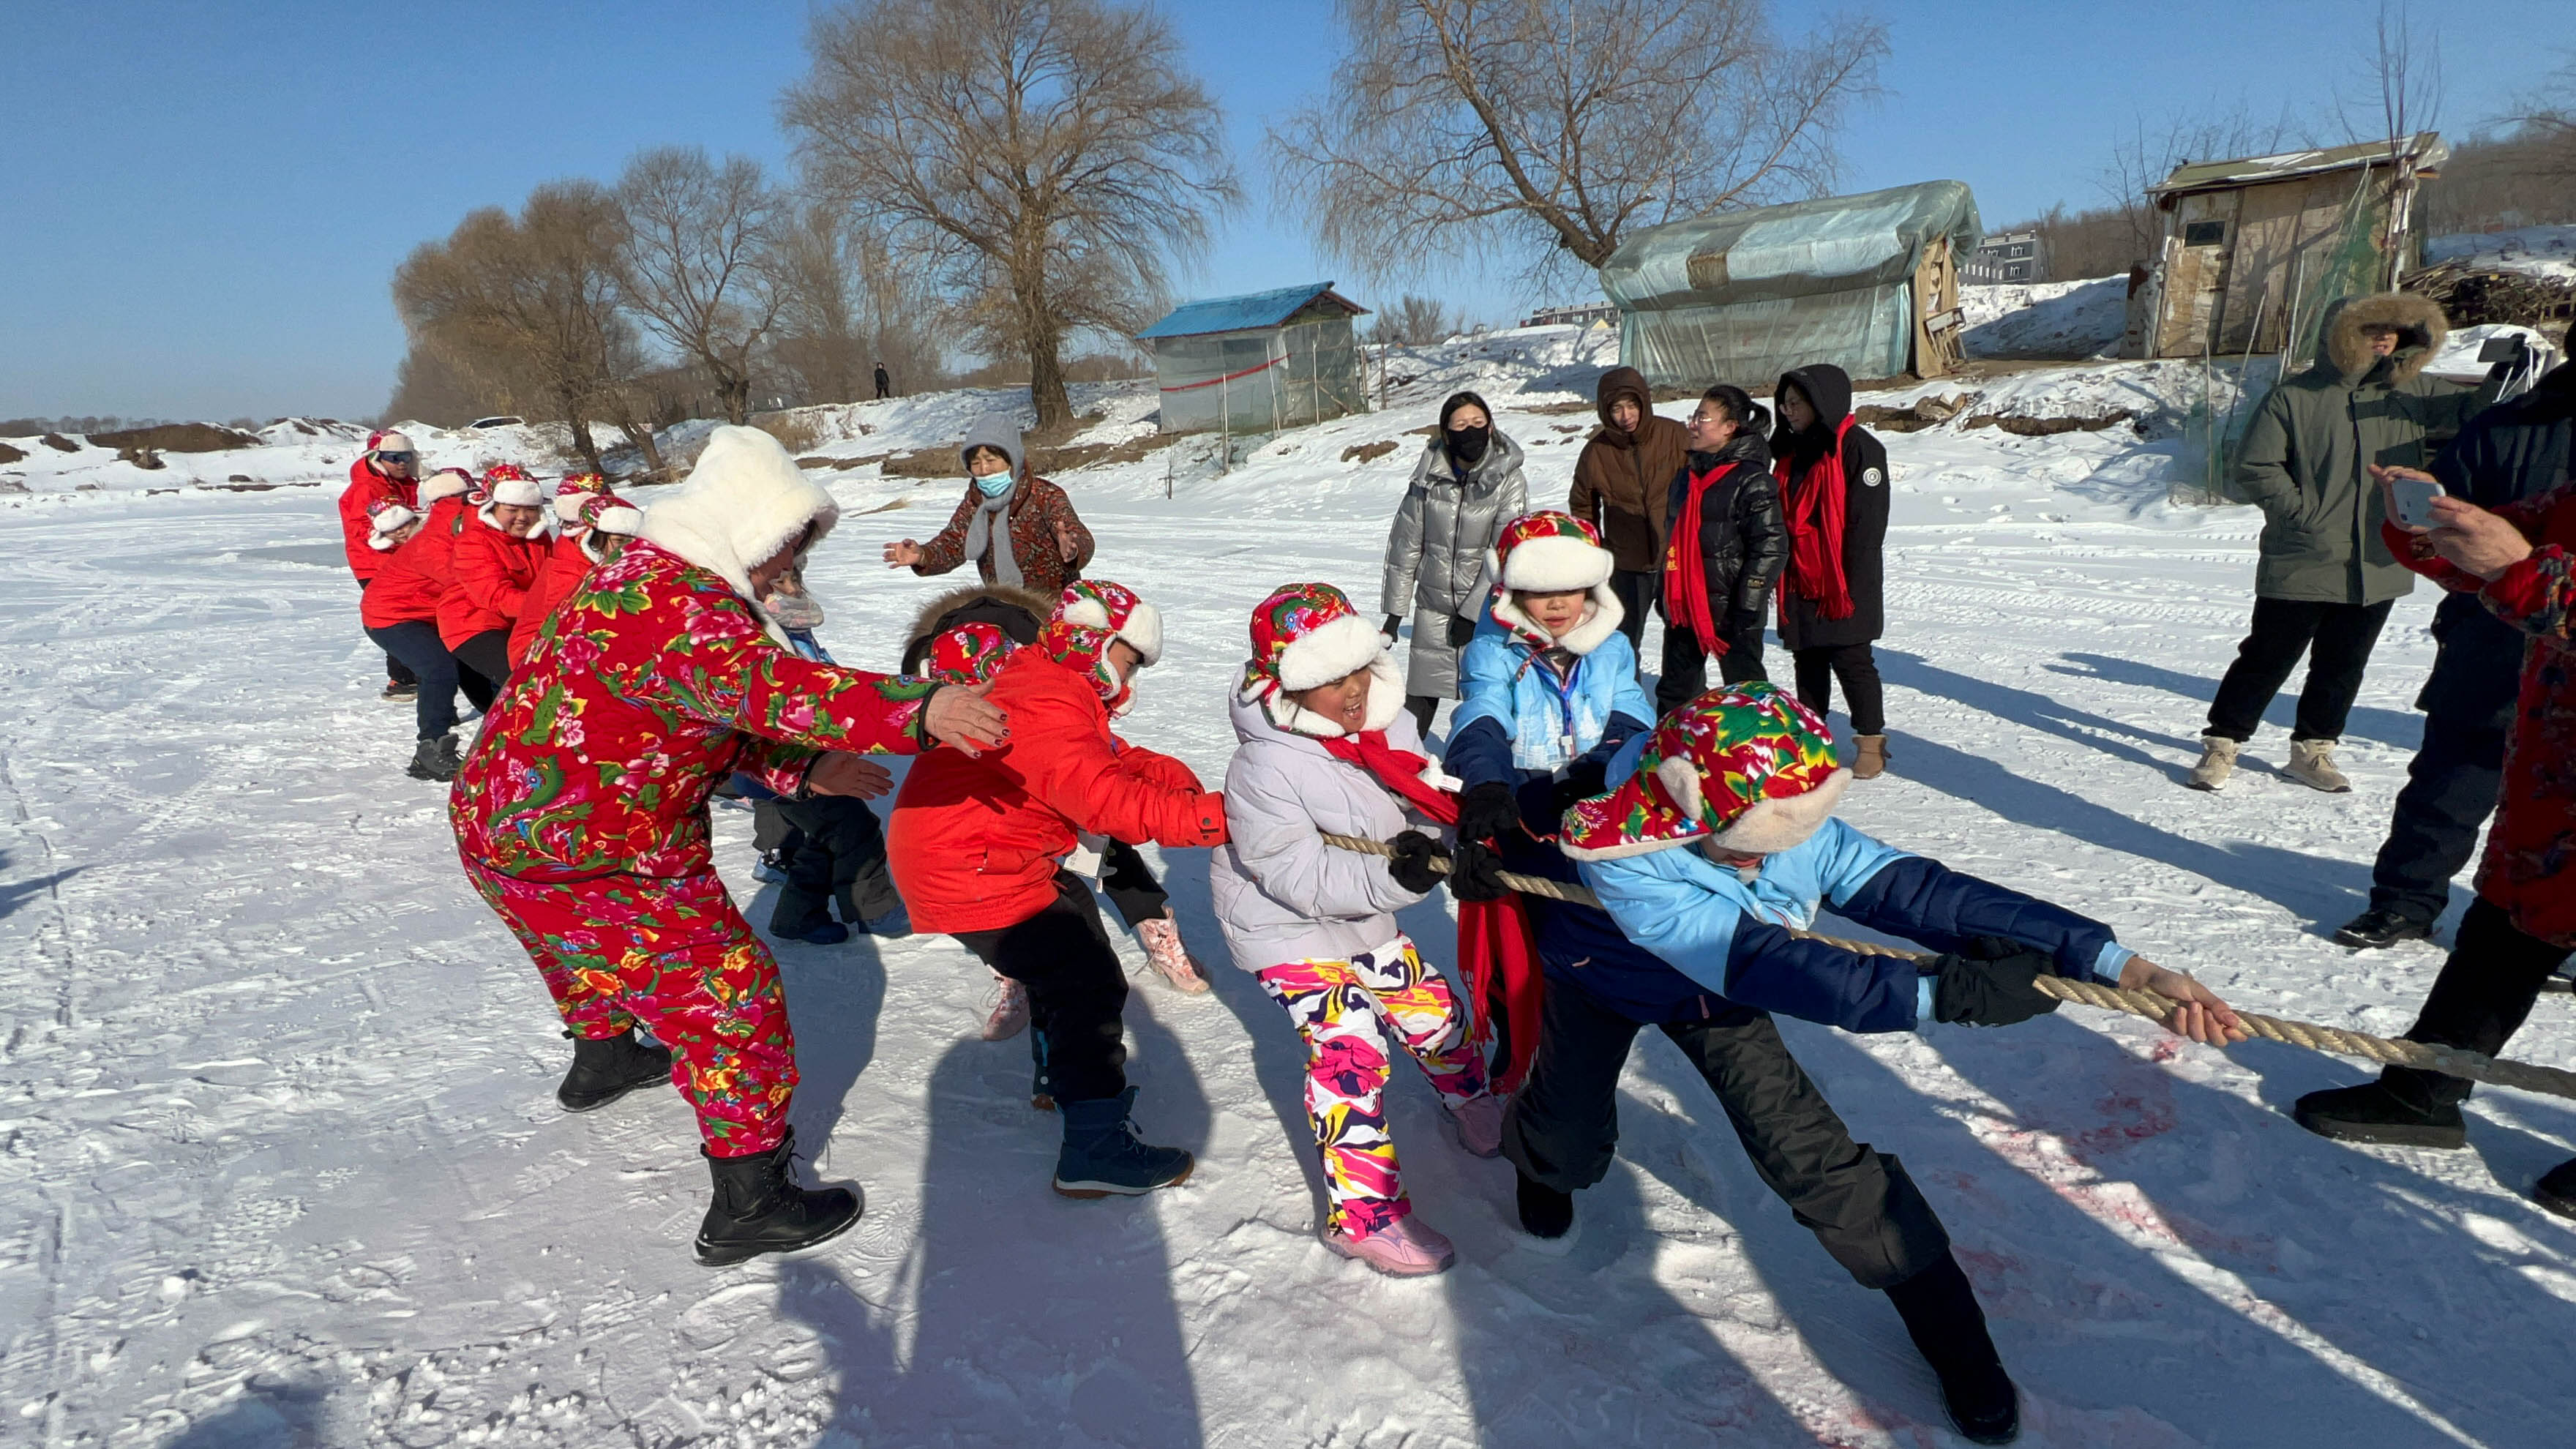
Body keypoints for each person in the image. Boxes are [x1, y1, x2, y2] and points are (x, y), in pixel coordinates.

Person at [1489, 684, 2244, 1444]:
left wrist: (2117, 964)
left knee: (1812, 1159)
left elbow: (1912, 891)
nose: (1771, 857)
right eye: (1752, 844)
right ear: (1686, 807)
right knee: (1569, 1113)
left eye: (1785, 839)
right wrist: (1940, 998)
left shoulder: (1771, 798)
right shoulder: (1617, 846)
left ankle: (1956, 1341)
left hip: (1714, 1001)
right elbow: (1767, 962)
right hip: (1603, 976)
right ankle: (1544, 1167)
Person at [448, 424, 1009, 1266]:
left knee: (571, 945)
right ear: (743, 530)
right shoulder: (686, 610)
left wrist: (802, 767)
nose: (791, 567)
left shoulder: (634, 579)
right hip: (599, 848)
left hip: (501, 826)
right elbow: (768, 686)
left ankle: (601, 1058)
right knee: (731, 998)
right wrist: (918, 708)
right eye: (784, 546)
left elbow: (679, 712)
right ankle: (752, 1199)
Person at [2293, 471, 2576, 1221]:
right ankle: (2423, 1090)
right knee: (2502, 934)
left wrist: (2531, 574)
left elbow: (2529, 569)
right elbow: (2499, 544)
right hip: (2553, 784)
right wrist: (2433, 526)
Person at [886, 587, 1227, 1198]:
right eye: (1131, 662)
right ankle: (1094, 1146)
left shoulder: (1041, 680)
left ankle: (1056, 1072)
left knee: (1071, 921)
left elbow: (1100, 759)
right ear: (1098, 643)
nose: (1130, 682)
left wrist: (1169, 775)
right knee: (1088, 981)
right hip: (974, 870)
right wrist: (1220, 818)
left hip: (986, 859)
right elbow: (1108, 803)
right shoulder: (1045, 694)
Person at [1208, 581, 1506, 1276]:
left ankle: (1471, 1100)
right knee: (1352, 1049)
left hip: (1362, 913)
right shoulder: (1265, 764)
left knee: (1430, 1010)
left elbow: (1421, 802)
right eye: (1328, 679)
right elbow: (1295, 872)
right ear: (1286, 685)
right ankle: (1363, 1216)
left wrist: (1450, 847)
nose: (1351, 690)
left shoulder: (1389, 727)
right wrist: (1399, 879)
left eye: (1358, 670)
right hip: (1282, 927)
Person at [2190, 294, 2504, 793]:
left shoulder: (2415, 391)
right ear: (2340, 333)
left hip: (2380, 557)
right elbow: (2256, 465)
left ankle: (2313, 751)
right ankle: (2223, 742)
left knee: (2343, 665)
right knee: (2268, 657)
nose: (2383, 337)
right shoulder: (2295, 396)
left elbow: (2477, 414)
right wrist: (2302, 515)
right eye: (2368, 328)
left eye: (2393, 329)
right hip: (2305, 551)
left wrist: (2504, 376)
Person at [2336, 358, 2572, 947]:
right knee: (2450, 778)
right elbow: (2442, 528)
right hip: (2491, 635)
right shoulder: (2507, 424)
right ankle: (2403, 902)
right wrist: (2417, 522)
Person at [895, 580, 1217, 1012]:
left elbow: (1093, 756)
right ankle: (1017, 973)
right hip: (999, 841)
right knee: (1049, 936)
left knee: (1108, 855)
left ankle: (1155, 930)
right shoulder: (962, 699)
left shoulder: (1033, 685)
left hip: (1049, 811)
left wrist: (1168, 781)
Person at [1444, 510, 1655, 1085]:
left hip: (1591, 800)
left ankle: (1569, 1047)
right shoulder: (1496, 650)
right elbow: (1482, 710)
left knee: (1584, 932)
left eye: (1570, 588)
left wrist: (1608, 758)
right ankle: (1513, 1044)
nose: (1558, 604)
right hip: (1524, 799)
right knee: (1518, 931)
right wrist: (1486, 776)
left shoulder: (1610, 646)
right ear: (1514, 590)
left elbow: (1631, 710)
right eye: (1540, 592)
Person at [744, 563, 912, 947]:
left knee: (824, 833)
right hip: (782, 761)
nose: (792, 592)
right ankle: (877, 912)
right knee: (853, 827)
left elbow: (827, 683)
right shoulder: (759, 638)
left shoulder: (794, 633)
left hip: (810, 756)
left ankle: (797, 917)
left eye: (794, 581)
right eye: (780, 584)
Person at [1382, 391, 1527, 736]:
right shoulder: (1428, 478)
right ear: (1447, 433)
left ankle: (1488, 775)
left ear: (1490, 428)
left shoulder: (1508, 479)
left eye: (1478, 424)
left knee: (1487, 698)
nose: (1470, 432)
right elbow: (1407, 545)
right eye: (1461, 425)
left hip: (1485, 615)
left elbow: (1504, 550)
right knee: (1419, 700)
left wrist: (1471, 613)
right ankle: (1403, 772)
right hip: (1432, 609)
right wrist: (1394, 613)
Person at [1772, 364, 1892, 779]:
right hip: (1800, 574)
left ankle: (1871, 741)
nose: (1788, 412)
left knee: (1853, 659)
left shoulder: (1860, 448)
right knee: (1808, 662)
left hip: (1844, 579)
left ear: (1822, 402)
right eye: (1784, 404)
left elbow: (1867, 524)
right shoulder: (1789, 453)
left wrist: (1848, 582)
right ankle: (1812, 740)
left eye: (1797, 403)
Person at [1658, 384, 1788, 716]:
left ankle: (1757, 757)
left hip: (1734, 609)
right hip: (1686, 604)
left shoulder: (1752, 479)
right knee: (1675, 692)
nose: (1693, 424)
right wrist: (1666, 591)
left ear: (1730, 428)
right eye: (1694, 416)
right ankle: (1671, 757)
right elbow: (1673, 540)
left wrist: (1749, 601)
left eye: (1703, 417)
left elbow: (1771, 545)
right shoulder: (1686, 477)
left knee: (1747, 694)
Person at [360, 468, 489, 781]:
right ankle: (430, 749)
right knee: (438, 668)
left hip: (431, 614)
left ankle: (505, 725)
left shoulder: (450, 530)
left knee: (472, 661)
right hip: (391, 616)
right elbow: (469, 583)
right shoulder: (433, 544)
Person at [883, 415, 1093, 602]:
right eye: (975, 463)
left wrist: (1073, 549)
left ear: (1012, 460)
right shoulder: (975, 502)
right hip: (1003, 607)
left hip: (1055, 609)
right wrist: (922, 555)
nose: (983, 469)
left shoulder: (1045, 495)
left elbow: (1078, 535)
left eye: (991, 460)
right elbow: (953, 543)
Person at [1569, 365, 1686, 657]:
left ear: (1644, 402)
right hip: (1627, 564)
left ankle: (1685, 699)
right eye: (1617, 409)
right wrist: (1598, 551)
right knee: (1622, 642)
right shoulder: (1597, 451)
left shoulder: (1674, 436)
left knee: (1684, 640)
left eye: (1632, 405)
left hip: (1675, 558)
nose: (1626, 416)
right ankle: (1624, 698)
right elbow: (1583, 505)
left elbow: (1700, 488)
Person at [506, 472, 640, 667]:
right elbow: (573, 627)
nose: (628, 547)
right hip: (537, 656)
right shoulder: (569, 569)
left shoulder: (588, 551)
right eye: (619, 541)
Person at [438, 464, 549, 692]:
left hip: (520, 622)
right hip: (473, 625)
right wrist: (552, 607)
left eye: (530, 509)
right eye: (512, 510)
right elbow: (498, 597)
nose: (522, 518)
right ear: (492, 507)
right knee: (526, 682)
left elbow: (554, 579)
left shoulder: (540, 538)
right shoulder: (474, 541)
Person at [341, 429, 424, 699]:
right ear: (377, 458)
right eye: (394, 457)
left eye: (406, 457)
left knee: (411, 612)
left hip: (396, 561)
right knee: (397, 616)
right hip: (374, 563)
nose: (401, 462)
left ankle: (411, 674)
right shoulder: (367, 487)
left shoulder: (400, 483)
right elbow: (365, 528)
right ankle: (401, 679)